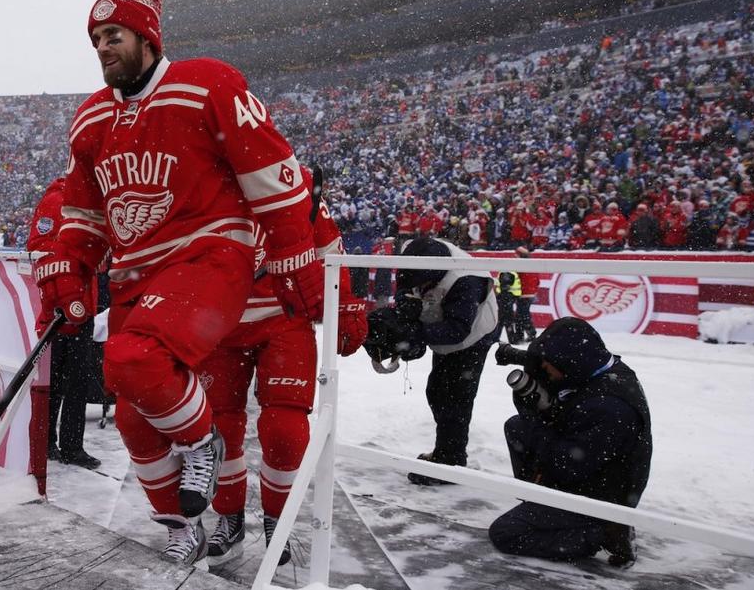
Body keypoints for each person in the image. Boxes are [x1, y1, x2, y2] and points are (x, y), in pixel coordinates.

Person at [33, 0, 324, 564]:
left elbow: (274, 172)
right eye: (95, 39)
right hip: (137, 274)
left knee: (134, 359)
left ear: (147, 37)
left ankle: (203, 443)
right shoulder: (90, 119)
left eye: (113, 34)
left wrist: (297, 253)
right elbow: (85, 215)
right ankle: (179, 526)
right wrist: (69, 271)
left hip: (208, 256)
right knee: (133, 414)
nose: (102, 47)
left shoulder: (207, 84)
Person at [202, 175, 368, 565]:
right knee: (218, 428)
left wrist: (344, 305)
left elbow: (328, 247)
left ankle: (278, 517)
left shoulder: (292, 179)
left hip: (284, 318)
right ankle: (230, 517)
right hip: (220, 321)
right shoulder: (200, 175)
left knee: (285, 431)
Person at [489, 318, 652, 567]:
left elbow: (566, 465)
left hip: (602, 494)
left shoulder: (609, 407)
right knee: (517, 427)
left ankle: (606, 532)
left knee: (506, 533)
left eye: (549, 363)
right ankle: (540, 500)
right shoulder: (595, 369)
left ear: (569, 361)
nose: (544, 367)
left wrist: (536, 418)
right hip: (588, 466)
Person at [363, 236, 499, 486]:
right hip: (443, 320)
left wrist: (413, 334)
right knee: (437, 390)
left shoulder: (466, 280)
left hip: (474, 335)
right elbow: (405, 287)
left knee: (456, 396)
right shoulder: (415, 256)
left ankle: (451, 460)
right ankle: (446, 450)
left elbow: (457, 330)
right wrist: (406, 308)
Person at [27, 177, 102, 469]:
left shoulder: (76, 201)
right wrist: (69, 297)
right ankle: (54, 444)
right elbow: (45, 250)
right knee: (60, 382)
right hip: (65, 308)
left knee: (70, 382)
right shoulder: (58, 201)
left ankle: (63, 444)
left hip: (77, 302)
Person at [514, 247, 538, 342]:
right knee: (523, 315)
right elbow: (537, 280)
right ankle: (524, 334)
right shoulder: (532, 264)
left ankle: (526, 334)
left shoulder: (520, 265)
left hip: (523, 294)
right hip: (530, 294)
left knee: (522, 316)